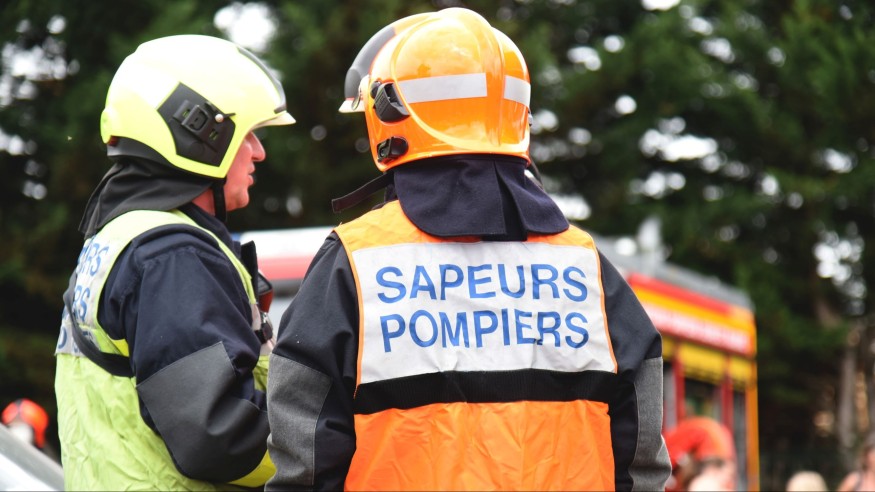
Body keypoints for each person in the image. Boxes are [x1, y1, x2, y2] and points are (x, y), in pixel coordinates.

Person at [265, 8, 671, 491]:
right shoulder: (585, 266)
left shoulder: (354, 260)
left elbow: (305, 455)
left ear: (389, 115)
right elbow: (641, 457)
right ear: (518, 117)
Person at [54, 34, 295, 490]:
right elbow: (218, 438)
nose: (259, 152)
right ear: (200, 135)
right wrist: (331, 438)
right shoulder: (172, 257)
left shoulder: (119, 236)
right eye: (248, 135)